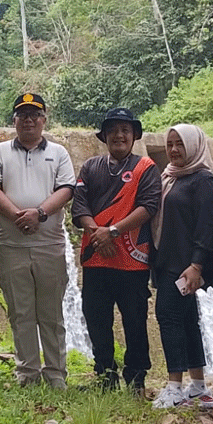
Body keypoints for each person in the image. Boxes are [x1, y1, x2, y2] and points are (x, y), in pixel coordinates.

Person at [0, 93, 76, 388]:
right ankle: (27, 373)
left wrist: (38, 213)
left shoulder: (59, 153)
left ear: (44, 120)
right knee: (20, 312)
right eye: (22, 115)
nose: (28, 120)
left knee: (51, 313)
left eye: (34, 114)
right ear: (14, 120)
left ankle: (56, 374)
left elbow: (66, 189)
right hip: (11, 246)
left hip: (50, 245)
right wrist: (16, 215)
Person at [72, 108, 160, 392]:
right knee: (96, 319)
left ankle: (136, 379)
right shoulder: (90, 167)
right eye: (113, 130)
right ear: (104, 136)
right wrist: (98, 234)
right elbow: (79, 205)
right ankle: (104, 375)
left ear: (134, 135)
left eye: (125, 130)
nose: (119, 135)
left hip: (132, 260)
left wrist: (111, 232)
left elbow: (148, 207)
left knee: (134, 320)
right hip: (96, 258)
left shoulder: (146, 168)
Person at [151, 124, 213, 409]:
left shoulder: (202, 180)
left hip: (184, 265)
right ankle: (197, 386)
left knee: (167, 317)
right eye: (170, 144)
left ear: (194, 146)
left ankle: (173, 387)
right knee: (187, 321)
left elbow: (208, 226)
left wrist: (197, 265)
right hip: (168, 261)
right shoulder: (170, 177)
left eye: (180, 144)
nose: (173, 150)